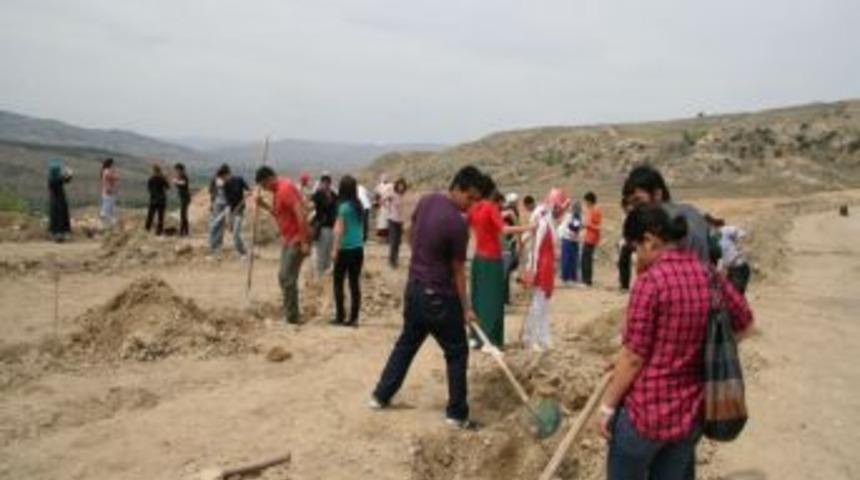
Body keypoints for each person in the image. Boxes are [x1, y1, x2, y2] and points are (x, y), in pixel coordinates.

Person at [599, 204, 753, 480]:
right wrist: (706, 353)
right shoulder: (708, 274)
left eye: (635, 248)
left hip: (645, 416)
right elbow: (746, 324)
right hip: (690, 417)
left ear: (649, 240)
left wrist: (607, 406)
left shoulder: (651, 282)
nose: (636, 258)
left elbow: (634, 358)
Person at [369, 165, 484, 430]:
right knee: (457, 352)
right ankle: (456, 414)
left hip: (414, 289)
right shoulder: (457, 224)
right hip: (439, 298)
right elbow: (458, 271)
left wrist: (423, 259)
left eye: (476, 200)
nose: (472, 204)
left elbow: (410, 232)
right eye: (470, 198)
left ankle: (380, 396)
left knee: (406, 344)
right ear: (457, 189)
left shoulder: (427, 200)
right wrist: (467, 308)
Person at [467, 179, 532, 350]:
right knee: (494, 301)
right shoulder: (490, 207)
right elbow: (504, 229)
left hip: (478, 259)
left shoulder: (475, 208)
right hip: (492, 260)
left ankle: (475, 337)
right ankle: (491, 340)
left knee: (478, 299)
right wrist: (528, 227)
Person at [255, 166, 311, 325]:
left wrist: (304, 241)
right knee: (283, 277)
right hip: (287, 239)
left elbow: (300, 214)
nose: (264, 189)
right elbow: (279, 213)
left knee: (287, 277)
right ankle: (290, 312)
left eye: (263, 185)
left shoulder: (285, 189)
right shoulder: (276, 192)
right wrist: (263, 205)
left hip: (296, 239)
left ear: (269, 179)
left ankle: (292, 317)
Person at [622, 165, 710, 264]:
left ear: (657, 194)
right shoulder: (692, 212)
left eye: (638, 200)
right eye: (630, 203)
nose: (633, 208)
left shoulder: (660, 224)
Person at [522, 188, 568, 352]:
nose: (561, 211)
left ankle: (542, 337)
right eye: (559, 208)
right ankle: (531, 338)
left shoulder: (550, 221)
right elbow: (535, 248)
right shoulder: (542, 221)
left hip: (548, 266)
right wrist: (532, 269)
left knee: (544, 304)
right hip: (541, 266)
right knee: (537, 303)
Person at [330, 175, 365, 327]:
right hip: (358, 249)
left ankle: (340, 316)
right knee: (354, 284)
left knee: (338, 283)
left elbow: (339, 230)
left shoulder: (343, 208)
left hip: (345, 249)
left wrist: (334, 250)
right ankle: (354, 318)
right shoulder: (359, 206)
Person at [707, 215, 752, 295]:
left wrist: (739, 248)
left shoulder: (725, 230)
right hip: (731, 271)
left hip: (739, 268)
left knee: (734, 295)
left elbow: (741, 234)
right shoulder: (712, 240)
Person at [311, 174, 338, 274]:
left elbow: (337, 207)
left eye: (328, 182)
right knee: (321, 250)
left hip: (332, 226)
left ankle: (327, 271)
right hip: (322, 226)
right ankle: (319, 272)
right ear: (321, 183)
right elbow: (312, 205)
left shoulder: (334, 195)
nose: (326, 184)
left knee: (330, 250)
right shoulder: (318, 195)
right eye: (324, 182)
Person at [501, 193, 521, 305]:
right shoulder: (510, 212)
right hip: (507, 244)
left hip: (508, 243)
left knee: (507, 271)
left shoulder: (510, 211)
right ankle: (504, 298)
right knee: (506, 271)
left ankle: (505, 298)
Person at [47, 159, 73, 242]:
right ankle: (60, 235)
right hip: (59, 201)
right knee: (61, 217)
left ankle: (55, 234)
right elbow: (66, 179)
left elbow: (64, 179)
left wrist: (67, 175)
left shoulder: (51, 178)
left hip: (54, 201)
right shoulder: (56, 179)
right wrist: (69, 173)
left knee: (55, 218)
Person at [581, 192, 602, 287]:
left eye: (586, 201)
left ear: (590, 201)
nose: (585, 203)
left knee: (587, 259)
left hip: (592, 237)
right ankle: (585, 279)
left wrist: (587, 225)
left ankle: (587, 281)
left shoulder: (596, 211)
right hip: (588, 237)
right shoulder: (590, 210)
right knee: (585, 258)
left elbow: (598, 226)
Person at [559, 201, 583, 285]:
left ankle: (573, 277)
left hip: (573, 240)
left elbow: (576, 228)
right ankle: (566, 278)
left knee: (574, 259)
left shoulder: (577, 217)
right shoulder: (569, 216)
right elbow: (572, 228)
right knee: (567, 259)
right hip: (567, 239)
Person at [208, 164, 230, 252]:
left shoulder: (227, 181)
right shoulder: (216, 180)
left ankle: (219, 244)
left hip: (225, 204)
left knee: (221, 224)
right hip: (217, 204)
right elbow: (211, 192)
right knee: (215, 224)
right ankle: (213, 244)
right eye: (227, 174)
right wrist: (212, 204)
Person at [387, 178, 408, 269]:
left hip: (401, 221)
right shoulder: (393, 194)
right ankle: (392, 261)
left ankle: (395, 259)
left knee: (398, 242)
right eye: (399, 185)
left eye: (402, 185)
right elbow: (383, 199)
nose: (401, 187)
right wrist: (388, 207)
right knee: (394, 241)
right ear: (397, 186)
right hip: (392, 220)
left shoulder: (404, 196)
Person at [145, 164, 170, 235]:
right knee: (160, 216)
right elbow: (168, 187)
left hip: (153, 200)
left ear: (153, 171)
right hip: (162, 200)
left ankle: (147, 229)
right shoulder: (162, 179)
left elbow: (149, 190)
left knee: (150, 215)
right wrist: (165, 177)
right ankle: (159, 231)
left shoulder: (150, 179)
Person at [617, 198, 634, 291]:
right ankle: (624, 284)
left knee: (623, 262)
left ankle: (625, 285)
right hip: (626, 240)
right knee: (623, 262)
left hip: (632, 241)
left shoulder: (633, 215)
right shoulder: (625, 215)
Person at [100, 158, 119, 229]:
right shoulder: (107, 171)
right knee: (107, 207)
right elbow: (112, 177)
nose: (114, 165)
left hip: (108, 191)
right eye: (113, 164)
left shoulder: (105, 171)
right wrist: (116, 176)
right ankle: (105, 224)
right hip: (108, 192)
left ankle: (109, 224)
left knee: (110, 207)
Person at [172, 163, 191, 237]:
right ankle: (185, 232)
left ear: (180, 170)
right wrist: (176, 181)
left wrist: (176, 181)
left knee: (183, 215)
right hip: (183, 197)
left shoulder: (184, 176)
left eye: (177, 170)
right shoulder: (180, 177)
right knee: (183, 215)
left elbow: (183, 183)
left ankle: (182, 232)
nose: (176, 171)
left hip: (185, 198)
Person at [374, 175, 393, 241]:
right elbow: (376, 195)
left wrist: (387, 199)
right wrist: (378, 202)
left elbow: (392, 195)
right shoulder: (379, 186)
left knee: (388, 222)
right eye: (383, 178)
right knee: (381, 222)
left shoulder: (391, 185)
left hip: (388, 205)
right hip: (381, 206)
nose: (384, 179)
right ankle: (382, 238)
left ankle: (389, 238)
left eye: (385, 177)